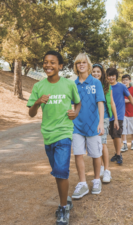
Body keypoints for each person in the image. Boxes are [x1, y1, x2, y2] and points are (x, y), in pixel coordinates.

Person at [27, 51, 81, 225]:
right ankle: (67, 199)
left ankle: (63, 207)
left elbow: (77, 102)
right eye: (45, 62)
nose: (48, 65)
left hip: (64, 133)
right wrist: (37, 103)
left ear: (60, 66)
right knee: (58, 173)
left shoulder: (69, 84)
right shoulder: (39, 87)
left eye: (52, 62)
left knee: (61, 171)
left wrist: (75, 113)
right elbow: (31, 113)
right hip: (48, 135)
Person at [72, 53, 105, 199]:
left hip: (93, 126)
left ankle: (97, 180)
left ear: (88, 64)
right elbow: (71, 103)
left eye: (84, 62)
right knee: (78, 154)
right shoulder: (73, 84)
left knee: (96, 154)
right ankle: (82, 183)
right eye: (78, 63)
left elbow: (100, 103)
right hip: (77, 126)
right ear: (76, 66)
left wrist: (101, 123)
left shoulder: (96, 83)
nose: (81, 65)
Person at [92, 63, 119, 183]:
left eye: (98, 71)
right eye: (93, 71)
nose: (96, 74)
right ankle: (101, 166)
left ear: (102, 73)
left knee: (102, 143)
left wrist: (116, 119)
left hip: (105, 118)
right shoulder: (89, 84)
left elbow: (112, 102)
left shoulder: (107, 86)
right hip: (91, 118)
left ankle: (107, 170)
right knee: (95, 144)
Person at [106, 68, 133, 164]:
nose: (111, 77)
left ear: (116, 76)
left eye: (113, 75)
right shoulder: (105, 87)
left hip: (119, 115)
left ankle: (119, 155)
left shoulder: (121, 86)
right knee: (113, 135)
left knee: (117, 134)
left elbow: (130, 97)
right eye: (109, 75)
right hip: (109, 114)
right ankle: (117, 153)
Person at [121, 74, 133, 151]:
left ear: (129, 81)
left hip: (132, 112)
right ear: (122, 81)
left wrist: (128, 101)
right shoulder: (120, 89)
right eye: (123, 80)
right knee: (123, 128)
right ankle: (124, 144)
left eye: (126, 80)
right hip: (123, 112)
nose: (125, 81)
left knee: (132, 128)